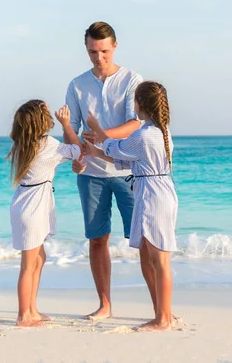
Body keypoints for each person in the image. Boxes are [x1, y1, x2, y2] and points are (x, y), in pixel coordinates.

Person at [83, 81, 178, 331]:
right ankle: (164, 313)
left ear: (140, 104)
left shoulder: (143, 135)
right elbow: (126, 161)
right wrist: (95, 153)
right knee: (151, 254)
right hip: (157, 189)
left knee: (159, 258)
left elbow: (116, 147)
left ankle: (163, 319)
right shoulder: (161, 132)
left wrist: (96, 128)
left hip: (152, 194)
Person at [64, 21, 143, 320]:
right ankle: (105, 305)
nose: (99, 58)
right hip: (91, 174)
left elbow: (135, 123)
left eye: (104, 51)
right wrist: (75, 152)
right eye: (92, 52)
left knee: (144, 240)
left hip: (127, 171)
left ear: (115, 46)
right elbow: (71, 129)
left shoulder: (131, 80)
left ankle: (160, 308)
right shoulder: (77, 84)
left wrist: (102, 135)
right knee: (97, 240)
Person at [8, 101, 82, 327]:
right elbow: (78, 150)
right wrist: (67, 125)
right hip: (33, 209)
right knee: (29, 265)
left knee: (39, 259)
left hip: (25, 205)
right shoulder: (47, 145)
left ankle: (32, 309)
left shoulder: (24, 144)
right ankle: (24, 316)